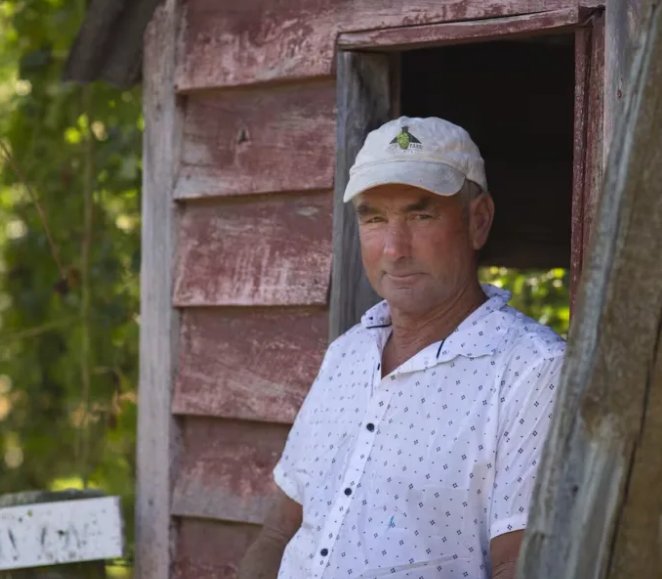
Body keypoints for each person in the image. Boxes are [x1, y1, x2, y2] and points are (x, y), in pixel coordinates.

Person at [238, 116, 566, 579]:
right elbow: (277, 535)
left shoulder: (532, 371)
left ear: (479, 221)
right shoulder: (347, 355)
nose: (394, 249)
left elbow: (521, 565)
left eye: (420, 214)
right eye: (374, 218)